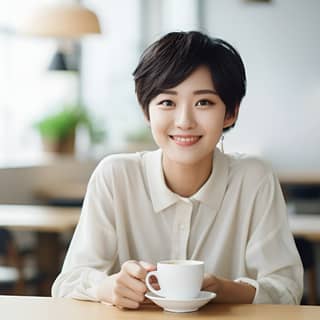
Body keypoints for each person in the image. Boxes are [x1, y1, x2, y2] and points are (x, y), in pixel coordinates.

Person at [52, 31, 303, 308]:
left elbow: (286, 290)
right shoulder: (115, 176)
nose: (184, 121)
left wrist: (223, 289)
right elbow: (68, 282)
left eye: (203, 102)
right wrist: (107, 287)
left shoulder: (254, 178)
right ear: (146, 111)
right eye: (167, 102)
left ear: (230, 112)